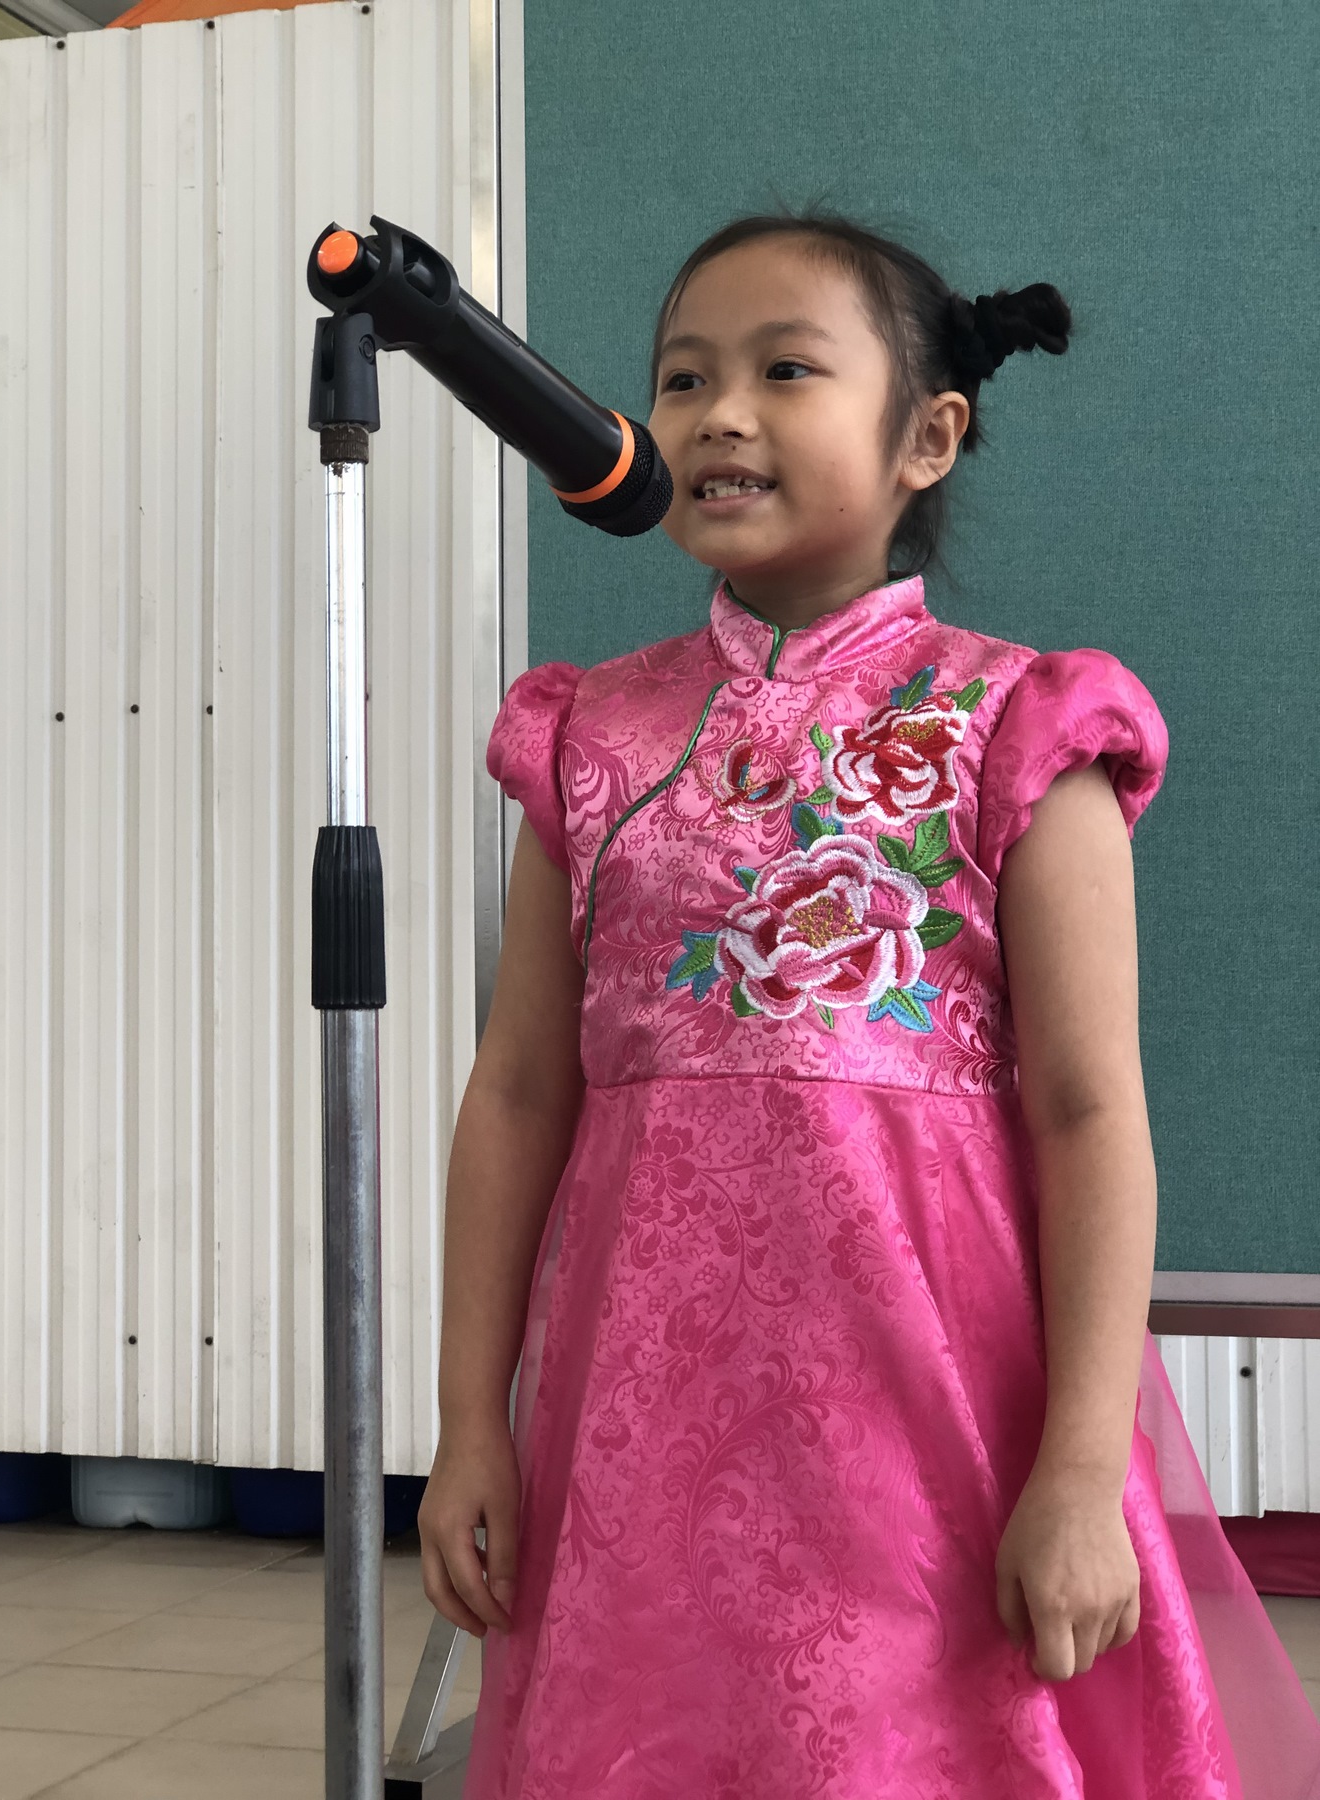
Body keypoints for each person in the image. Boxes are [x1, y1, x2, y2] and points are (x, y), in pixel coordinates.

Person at [419, 205, 1320, 1798]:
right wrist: (466, 1420)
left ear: (927, 437)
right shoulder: (587, 739)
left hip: (934, 1415)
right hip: (636, 1419)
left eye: (784, 371)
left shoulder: (1016, 723)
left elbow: (1087, 1109)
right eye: (682, 378)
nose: (719, 415)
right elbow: (516, 1092)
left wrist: (1079, 1466)